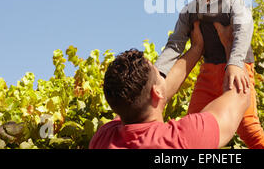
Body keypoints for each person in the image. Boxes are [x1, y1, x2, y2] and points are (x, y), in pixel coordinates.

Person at [154, 0, 264, 149]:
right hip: (209, 71)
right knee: (194, 124)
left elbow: (244, 29)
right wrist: (158, 73)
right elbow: (175, 45)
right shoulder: (189, 11)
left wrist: (235, 63)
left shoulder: (233, 1)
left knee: (248, 127)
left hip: (238, 67)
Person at [88, 21, 251, 149]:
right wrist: (231, 45)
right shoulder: (181, 139)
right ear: (156, 92)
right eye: (158, 74)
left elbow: (155, 95)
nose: (162, 75)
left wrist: (196, 49)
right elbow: (240, 95)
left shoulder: (103, 139)